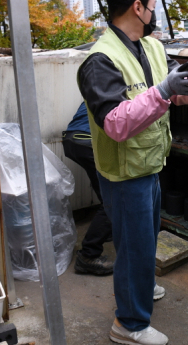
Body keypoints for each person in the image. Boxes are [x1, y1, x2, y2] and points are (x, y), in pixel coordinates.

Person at [77, 0, 188, 345]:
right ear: (137, 7)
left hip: (150, 164)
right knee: (132, 249)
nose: (155, 11)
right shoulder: (99, 61)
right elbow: (115, 123)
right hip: (123, 173)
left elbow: (168, 94)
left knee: (145, 241)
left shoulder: (150, 47)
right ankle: (129, 324)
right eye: (152, 4)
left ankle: (140, 290)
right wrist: (164, 89)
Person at [62, 102, 114, 276]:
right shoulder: (123, 88)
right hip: (87, 141)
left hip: (71, 139)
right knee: (112, 202)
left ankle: (107, 231)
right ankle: (88, 256)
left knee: (104, 189)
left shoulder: (100, 86)